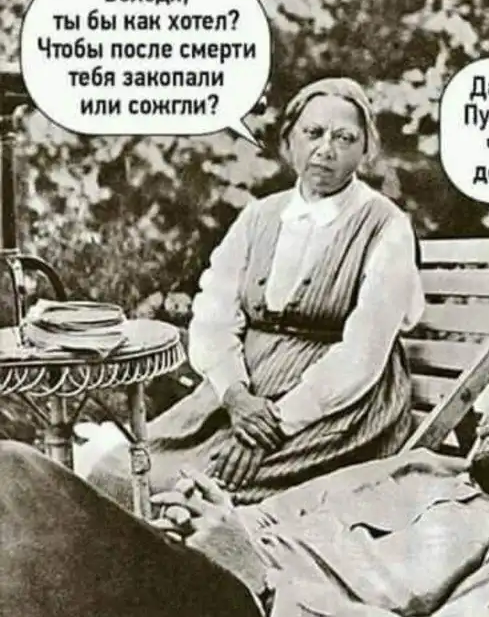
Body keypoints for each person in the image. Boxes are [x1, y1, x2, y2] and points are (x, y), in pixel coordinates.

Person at [3, 321, 489, 617]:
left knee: (18, 479)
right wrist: (223, 522)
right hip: (209, 587)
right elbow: (284, 517)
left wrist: (262, 584)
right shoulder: (427, 468)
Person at [85, 76, 424, 509]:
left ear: (365, 150)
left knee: (197, 495)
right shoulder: (259, 216)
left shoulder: (386, 225)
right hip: (243, 394)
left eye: (344, 138)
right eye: (313, 133)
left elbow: (363, 355)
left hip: (335, 407)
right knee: (119, 473)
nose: (326, 149)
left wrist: (275, 426)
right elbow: (214, 314)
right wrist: (234, 395)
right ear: (289, 141)